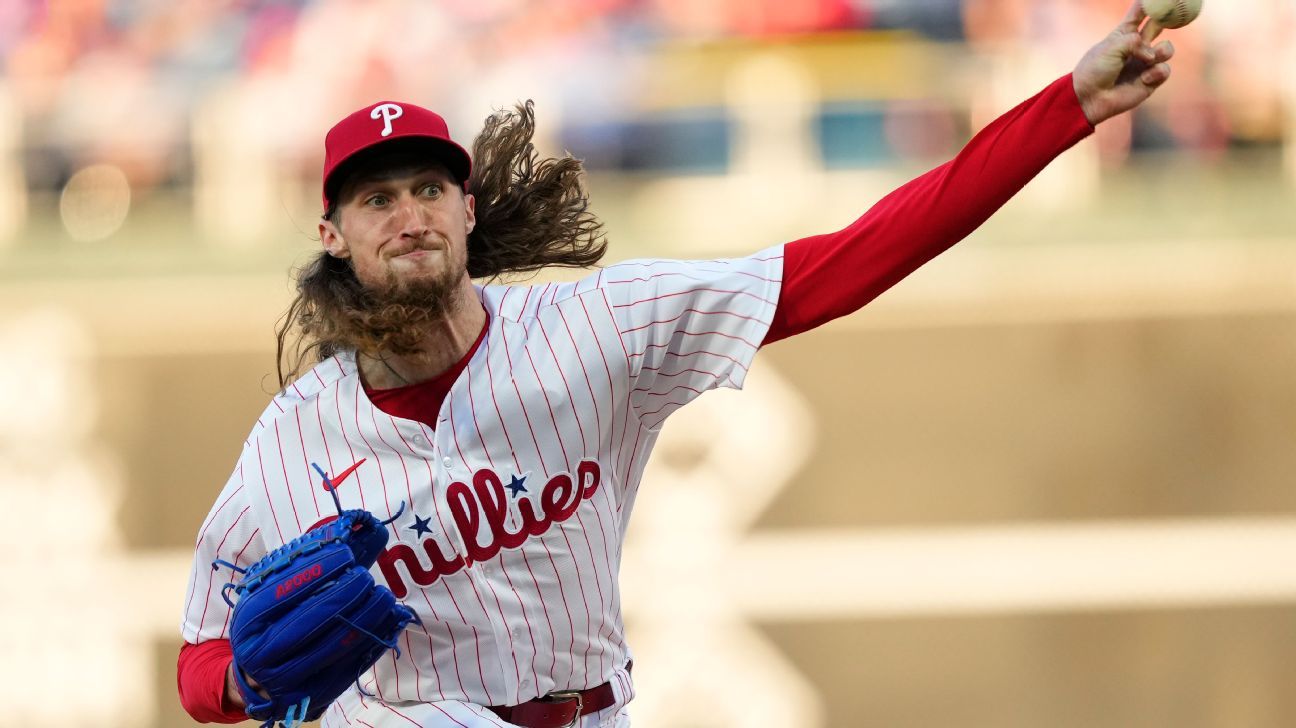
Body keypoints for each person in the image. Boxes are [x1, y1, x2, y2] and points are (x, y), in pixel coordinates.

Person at [178, 4, 1176, 726]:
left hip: (594, 705)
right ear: (333, 232)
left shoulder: (595, 328)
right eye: (377, 198)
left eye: (429, 188)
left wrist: (1067, 108)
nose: (409, 214)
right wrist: (246, 686)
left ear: (468, 210)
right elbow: (200, 661)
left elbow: (852, 260)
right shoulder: (295, 437)